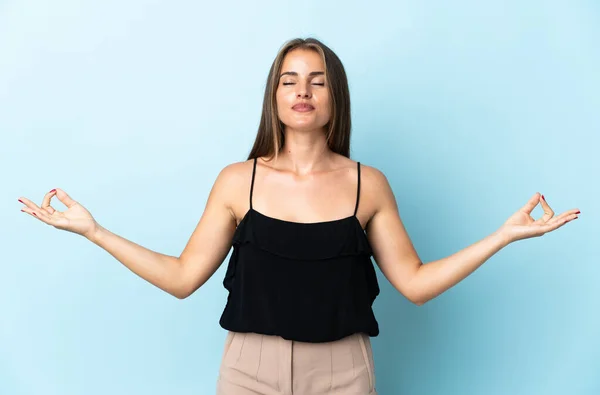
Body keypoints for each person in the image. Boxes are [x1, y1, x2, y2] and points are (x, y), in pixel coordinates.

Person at [18, 37, 580, 395]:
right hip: (248, 371)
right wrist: (93, 231)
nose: (302, 91)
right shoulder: (239, 180)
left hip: (343, 372)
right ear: (275, 97)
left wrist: (503, 236)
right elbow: (182, 278)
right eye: (289, 80)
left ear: (335, 97)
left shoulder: (368, 185)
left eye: (317, 80)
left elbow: (415, 283)